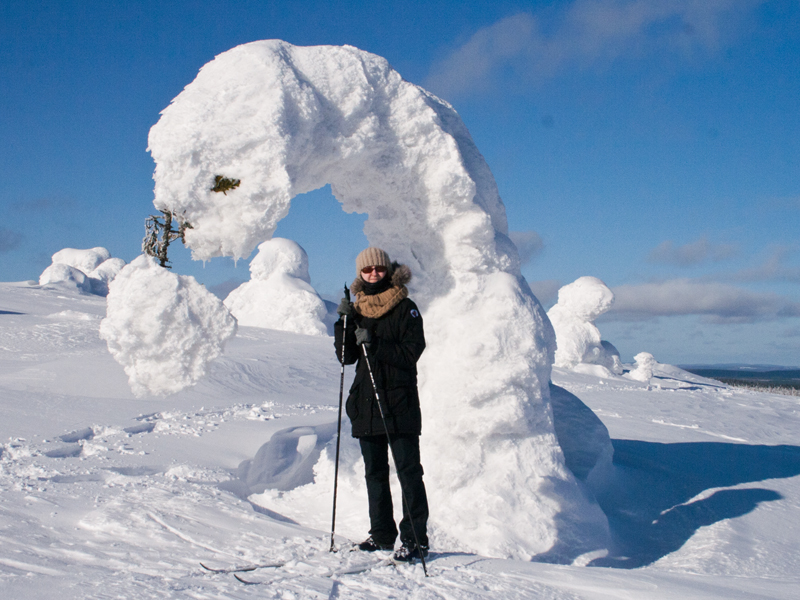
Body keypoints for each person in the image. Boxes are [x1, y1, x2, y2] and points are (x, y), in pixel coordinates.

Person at [334, 247, 429, 562]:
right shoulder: (357, 308)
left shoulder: (406, 308)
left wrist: (375, 345)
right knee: (374, 472)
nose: (373, 273)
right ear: (360, 274)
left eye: (378, 268)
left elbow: (410, 353)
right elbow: (346, 357)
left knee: (408, 472)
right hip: (366, 401)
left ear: (388, 270)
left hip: (398, 400)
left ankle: (415, 540)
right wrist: (343, 323)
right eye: (367, 270)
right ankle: (382, 535)